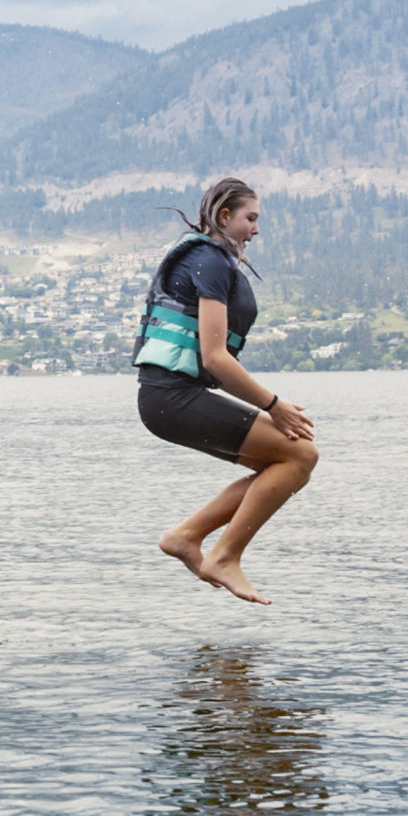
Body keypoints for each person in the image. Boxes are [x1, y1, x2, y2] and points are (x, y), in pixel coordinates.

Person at [133, 178, 318, 605]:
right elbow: (216, 358)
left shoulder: (210, 259)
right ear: (224, 217)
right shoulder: (210, 262)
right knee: (301, 453)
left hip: (167, 398)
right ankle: (223, 555)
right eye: (251, 218)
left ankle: (187, 536)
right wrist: (274, 406)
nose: (256, 229)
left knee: (286, 460)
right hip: (171, 398)